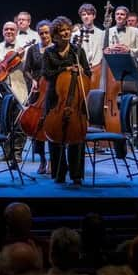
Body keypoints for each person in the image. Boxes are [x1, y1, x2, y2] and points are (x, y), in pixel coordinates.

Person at [42, 16, 91, 185]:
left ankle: (76, 174)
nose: (65, 33)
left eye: (67, 30)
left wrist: (82, 70)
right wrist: (65, 68)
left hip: (75, 100)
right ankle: (58, 173)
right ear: (55, 35)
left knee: (76, 137)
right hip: (56, 99)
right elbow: (46, 74)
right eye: (61, 30)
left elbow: (89, 75)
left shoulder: (77, 52)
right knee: (55, 136)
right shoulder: (49, 52)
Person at [0, 21, 29, 163]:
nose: (9, 31)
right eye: (6, 29)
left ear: (16, 31)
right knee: (5, 123)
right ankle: (6, 153)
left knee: (19, 123)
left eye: (12, 29)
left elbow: (27, 68)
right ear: (3, 31)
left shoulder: (23, 48)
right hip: (1, 90)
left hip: (18, 89)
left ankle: (17, 153)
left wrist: (22, 57)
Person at [23, 20, 52, 174]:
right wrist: (33, 80)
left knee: (52, 125)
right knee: (37, 127)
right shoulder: (33, 49)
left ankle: (53, 159)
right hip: (37, 91)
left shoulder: (55, 49)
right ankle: (42, 160)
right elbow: (26, 69)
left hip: (53, 90)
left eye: (47, 32)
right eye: (41, 33)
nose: (44, 35)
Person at [73, 3, 104, 88]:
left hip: (98, 71)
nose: (86, 16)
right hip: (82, 72)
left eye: (89, 14)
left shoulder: (102, 34)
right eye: (84, 14)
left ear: (94, 16)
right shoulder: (75, 35)